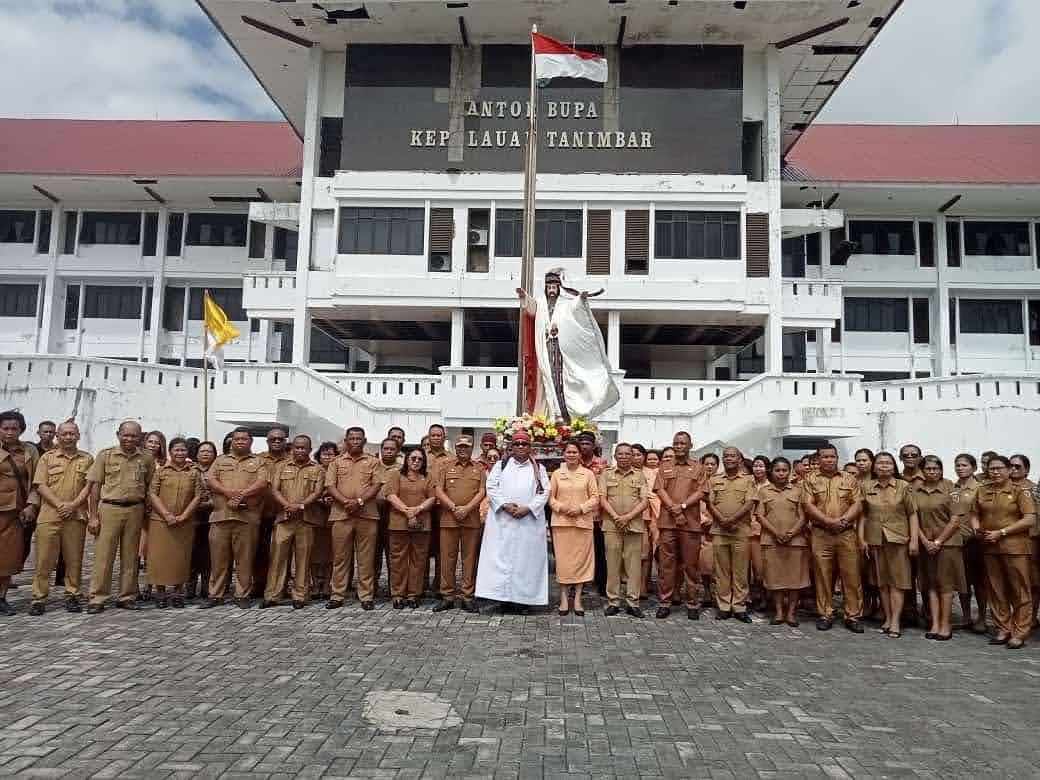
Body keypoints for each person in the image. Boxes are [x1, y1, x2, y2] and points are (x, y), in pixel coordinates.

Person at [516, 269, 619, 423]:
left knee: (561, 384)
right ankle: (548, 416)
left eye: (554, 287)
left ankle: (562, 415)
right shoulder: (541, 303)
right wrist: (524, 296)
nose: (551, 290)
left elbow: (574, 307)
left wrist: (581, 299)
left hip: (560, 354)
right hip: (544, 352)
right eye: (549, 287)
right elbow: (531, 308)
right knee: (544, 384)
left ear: (558, 288)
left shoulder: (565, 304)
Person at [476, 431, 550, 613]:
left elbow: (544, 492)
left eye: (524, 444)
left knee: (525, 561)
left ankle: (523, 601)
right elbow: (491, 487)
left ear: (530, 447)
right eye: (517, 444)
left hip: (528, 523)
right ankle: (502, 599)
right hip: (503, 522)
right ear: (511, 447)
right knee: (501, 559)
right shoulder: (501, 465)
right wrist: (505, 506)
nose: (520, 447)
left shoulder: (538, 469)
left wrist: (528, 508)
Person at [85, 420, 154, 614]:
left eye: (134, 436)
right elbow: (95, 486)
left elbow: (150, 487)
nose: (130, 439)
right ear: (118, 434)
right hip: (109, 509)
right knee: (103, 556)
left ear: (140, 437)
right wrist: (93, 516)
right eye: (126, 435)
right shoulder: (105, 455)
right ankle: (97, 597)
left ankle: (127, 596)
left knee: (131, 556)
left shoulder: (146, 458)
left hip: (135, 509)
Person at [970, 455, 1036, 649]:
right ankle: (1003, 628)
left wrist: (1002, 532)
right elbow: (974, 513)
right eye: (992, 469)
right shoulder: (982, 490)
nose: (996, 472)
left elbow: (1030, 519)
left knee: (1020, 590)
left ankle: (1020, 631)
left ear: (1009, 470)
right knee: (996, 590)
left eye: (1000, 468)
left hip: (1015, 548)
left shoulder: (1020, 491)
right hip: (990, 547)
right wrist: (976, 528)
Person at [200, 428, 268, 609]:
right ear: (231, 441)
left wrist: (242, 495)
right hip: (221, 517)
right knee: (218, 560)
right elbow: (210, 479)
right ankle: (216, 595)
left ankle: (242, 594)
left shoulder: (258, 462)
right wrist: (228, 493)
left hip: (247, 518)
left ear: (250, 441)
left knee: (244, 560)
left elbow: (262, 483)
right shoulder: (220, 460)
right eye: (236, 439)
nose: (240, 442)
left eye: (244, 439)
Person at [29, 420, 91, 614]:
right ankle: (39, 598)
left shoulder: (87, 459)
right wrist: (60, 505)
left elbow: (90, 485)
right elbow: (40, 484)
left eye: (72, 433)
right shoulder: (47, 458)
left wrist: (72, 505)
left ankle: (72, 594)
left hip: (76, 516)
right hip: (49, 515)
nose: (68, 437)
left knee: (74, 559)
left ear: (78, 436)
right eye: (64, 434)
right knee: (44, 560)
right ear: (58, 436)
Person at [801, 443, 864, 633]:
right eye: (825, 457)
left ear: (837, 458)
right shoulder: (810, 479)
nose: (829, 460)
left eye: (833, 456)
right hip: (821, 533)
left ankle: (852, 615)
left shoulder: (849, 478)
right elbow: (808, 505)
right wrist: (828, 521)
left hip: (846, 533)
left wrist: (843, 521)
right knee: (823, 575)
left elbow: (858, 504)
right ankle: (825, 613)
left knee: (851, 576)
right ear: (818, 459)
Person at [861, 451, 919, 639]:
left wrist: (914, 540)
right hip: (875, 539)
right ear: (874, 467)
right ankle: (887, 617)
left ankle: (895, 621)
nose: (884, 466)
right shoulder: (867, 486)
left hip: (898, 539)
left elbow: (912, 513)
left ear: (894, 466)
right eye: (880, 463)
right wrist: (861, 538)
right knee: (882, 582)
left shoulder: (903, 486)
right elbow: (862, 515)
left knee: (898, 582)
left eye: (888, 463)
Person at [263, 435, 324, 609]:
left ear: (310, 450)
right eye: (297, 447)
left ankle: (300, 595)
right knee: (277, 558)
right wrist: (287, 505)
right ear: (292, 449)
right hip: (284, 518)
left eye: (303, 448)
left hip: (305, 519)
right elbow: (274, 489)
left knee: (303, 560)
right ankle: (273, 595)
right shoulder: (281, 467)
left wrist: (300, 506)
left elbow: (317, 491)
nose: (300, 450)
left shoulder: (317, 469)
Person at [655, 432, 710, 620]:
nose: (679, 446)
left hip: (690, 524)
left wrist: (683, 507)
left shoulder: (698, 468)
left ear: (690, 445)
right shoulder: (665, 466)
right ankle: (665, 602)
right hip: (667, 523)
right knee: (666, 565)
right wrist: (673, 509)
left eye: (683, 443)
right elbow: (659, 490)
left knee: (691, 565)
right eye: (676, 443)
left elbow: (702, 491)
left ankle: (693, 603)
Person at [326, 427, 381, 610]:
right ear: (346, 441)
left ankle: (366, 595)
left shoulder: (373, 462)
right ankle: (337, 594)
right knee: (340, 558)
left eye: (358, 438)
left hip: (367, 515)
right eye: (352, 438)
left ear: (364, 441)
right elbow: (330, 486)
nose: (355, 441)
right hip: (341, 515)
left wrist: (359, 501)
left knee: (366, 558)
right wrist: (346, 502)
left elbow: (376, 486)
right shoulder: (336, 462)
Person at [147, 437, 205, 609]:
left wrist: (184, 516)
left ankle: (178, 592)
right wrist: (166, 515)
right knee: (159, 557)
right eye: (176, 450)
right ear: (170, 452)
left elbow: (198, 496)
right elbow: (152, 494)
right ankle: (161, 592)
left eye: (183, 450)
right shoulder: (161, 471)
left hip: (184, 522)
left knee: (182, 557)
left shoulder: (193, 472)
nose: (180, 453)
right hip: (160, 522)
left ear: (188, 453)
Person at [433, 436, 486, 613]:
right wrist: (454, 507)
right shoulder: (445, 466)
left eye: (467, 446)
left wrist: (468, 508)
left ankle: (467, 596)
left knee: (469, 559)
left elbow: (482, 491)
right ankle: (447, 596)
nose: (463, 449)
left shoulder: (479, 468)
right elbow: (439, 490)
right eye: (460, 446)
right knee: (447, 558)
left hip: (471, 520)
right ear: (455, 447)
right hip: (449, 519)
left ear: (472, 449)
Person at [914, 455, 964, 641]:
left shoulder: (951, 488)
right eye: (928, 469)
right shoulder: (916, 491)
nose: (932, 472)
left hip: (947, 543)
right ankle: (934, 623)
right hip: (925, 544)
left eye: (936, 468)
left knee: (946, 586)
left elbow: (956, 519)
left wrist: (938, 541)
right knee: (930, 584)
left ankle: (946, 624)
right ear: (922, 471)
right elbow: (914, 519)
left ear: (941, 470)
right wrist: (924, 541)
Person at [598, 443, 650, 618]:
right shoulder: (606, 475)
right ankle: (613, 601)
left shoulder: (640, 475)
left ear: (632, 456)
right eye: (620, 454)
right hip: (612, 526)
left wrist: (627, 517)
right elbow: (602, 499)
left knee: (633, 566)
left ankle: (632, 602)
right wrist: (616, 517)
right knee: (612, 565)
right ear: (615, 456)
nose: (624, 457)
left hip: (633, 525)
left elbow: (644, 501)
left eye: (628, 454)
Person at [549, 441, 599, 616]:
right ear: (563, 454)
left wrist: (580, 509)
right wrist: (562, 508)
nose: (571, 455)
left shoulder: (588, 474)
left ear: (579, 454)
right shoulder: (556, 474)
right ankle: (563, 598)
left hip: (582, 523)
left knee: (580, 562)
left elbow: (595, 497)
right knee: (563, 563)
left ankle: (577, 599)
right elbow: (550, 498)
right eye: (568, 452)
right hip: (561, 523)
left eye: (574, 452)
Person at [706, 447, 757, 622]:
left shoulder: (748, 480)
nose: (729, 459)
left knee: (741, 571)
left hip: (740, 531)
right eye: (726, 456)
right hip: (720, 531)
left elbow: (750, 503)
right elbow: (709, 503)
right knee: (722, 572)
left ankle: (739, 607)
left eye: (732, 456)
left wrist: (733, 520)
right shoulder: (714, 480)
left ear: (740, 459)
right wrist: (722, 520)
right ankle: (724, 606)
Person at [757, 457, 809, 626]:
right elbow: (760, 515)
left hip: (795, 541)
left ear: (790, 472)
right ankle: (779, 612)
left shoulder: (798, 491)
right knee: (775, 578)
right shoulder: (764, 491)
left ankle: (791, 613)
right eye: (777, 470)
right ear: (771, 472)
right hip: (772, 540)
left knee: (795, 580)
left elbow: (803, 516)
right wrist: (776, 532)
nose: (781, 473)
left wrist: (792, 532)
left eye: (784, 470)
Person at [383, 447, 437, 609]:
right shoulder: (396, 475)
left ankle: (414, 594)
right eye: (413, 458)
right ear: (407, 459)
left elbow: (433, 497)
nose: (416, 462)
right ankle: (398, 594)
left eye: (420, 459)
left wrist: (417, 510)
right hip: (399, 524)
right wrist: (408, 512)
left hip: (422, 524)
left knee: (418, 561)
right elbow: (391, 495)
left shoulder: (428, 477)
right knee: (398, 560)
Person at [0, 411, 40, 615]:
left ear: (21, 430)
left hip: (16, 512)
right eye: (5, 428)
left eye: (14, 428)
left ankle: (1, 597)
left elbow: (36, 482)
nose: (9, 432)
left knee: (8, 557)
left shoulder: (29, 451)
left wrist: (32, 505)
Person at [253, 426, 290, 599]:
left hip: (284, 514)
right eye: (273, 439)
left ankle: (280, 586)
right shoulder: (257, 460)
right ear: (267, 441)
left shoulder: (291, 460)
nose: (276, 442)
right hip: (261, 512)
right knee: (259, 551)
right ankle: (259, 585)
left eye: (280, 439)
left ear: (285, 441)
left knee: (283, 553)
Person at [951, 453, 985, 633]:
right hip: (956, 540)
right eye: (957, 465)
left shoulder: (980, 487)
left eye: (964, 465)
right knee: (962, 580)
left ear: (973, 468)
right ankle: (965, 616)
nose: (960, 468)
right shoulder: (952, 487)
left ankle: (981, 617)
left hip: (975, 540)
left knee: (979, 582)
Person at [1009, 454, 1039, 628]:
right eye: (1011, 466)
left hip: (1031, 540)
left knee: (1032, 582)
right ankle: (1015, 617)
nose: (1013, 469)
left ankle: (1031, 617)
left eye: (1018, 467)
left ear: (1026, 470)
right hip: (1007, 541)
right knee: (1013, 582)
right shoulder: (1002, 488)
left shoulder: (1034, 490)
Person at [186, 441, 217, 600]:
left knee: (208, 556)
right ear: (196, 454)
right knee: (191, 554)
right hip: (192, 518)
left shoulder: (218, 470)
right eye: (202, 451)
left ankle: (207, 588)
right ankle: (189, 588)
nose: (206, 454)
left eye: (209, 451)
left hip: (213, 517)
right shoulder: (190, 469)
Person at [310, 442, 339, 601]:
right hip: (315, 514)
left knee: (331, 553)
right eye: (325, 454)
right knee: (314, 553)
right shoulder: (314, 469)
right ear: (319, 456)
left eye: (331, 454)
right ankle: (315, 584)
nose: (328, 457)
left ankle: (328, 584)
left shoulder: (339, 470)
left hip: (334, 515)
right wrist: (320, 499)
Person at [374, 437, 402, 596]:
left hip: (393, 516)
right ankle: (372, 587)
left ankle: (395, 589)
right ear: (381, 449)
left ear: (397, 451)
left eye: (392, 449)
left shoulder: (401, 469)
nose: (389, 451)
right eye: (386, 448)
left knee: (394, 555)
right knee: (373, 555)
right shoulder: (372, 466)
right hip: (373, 515)